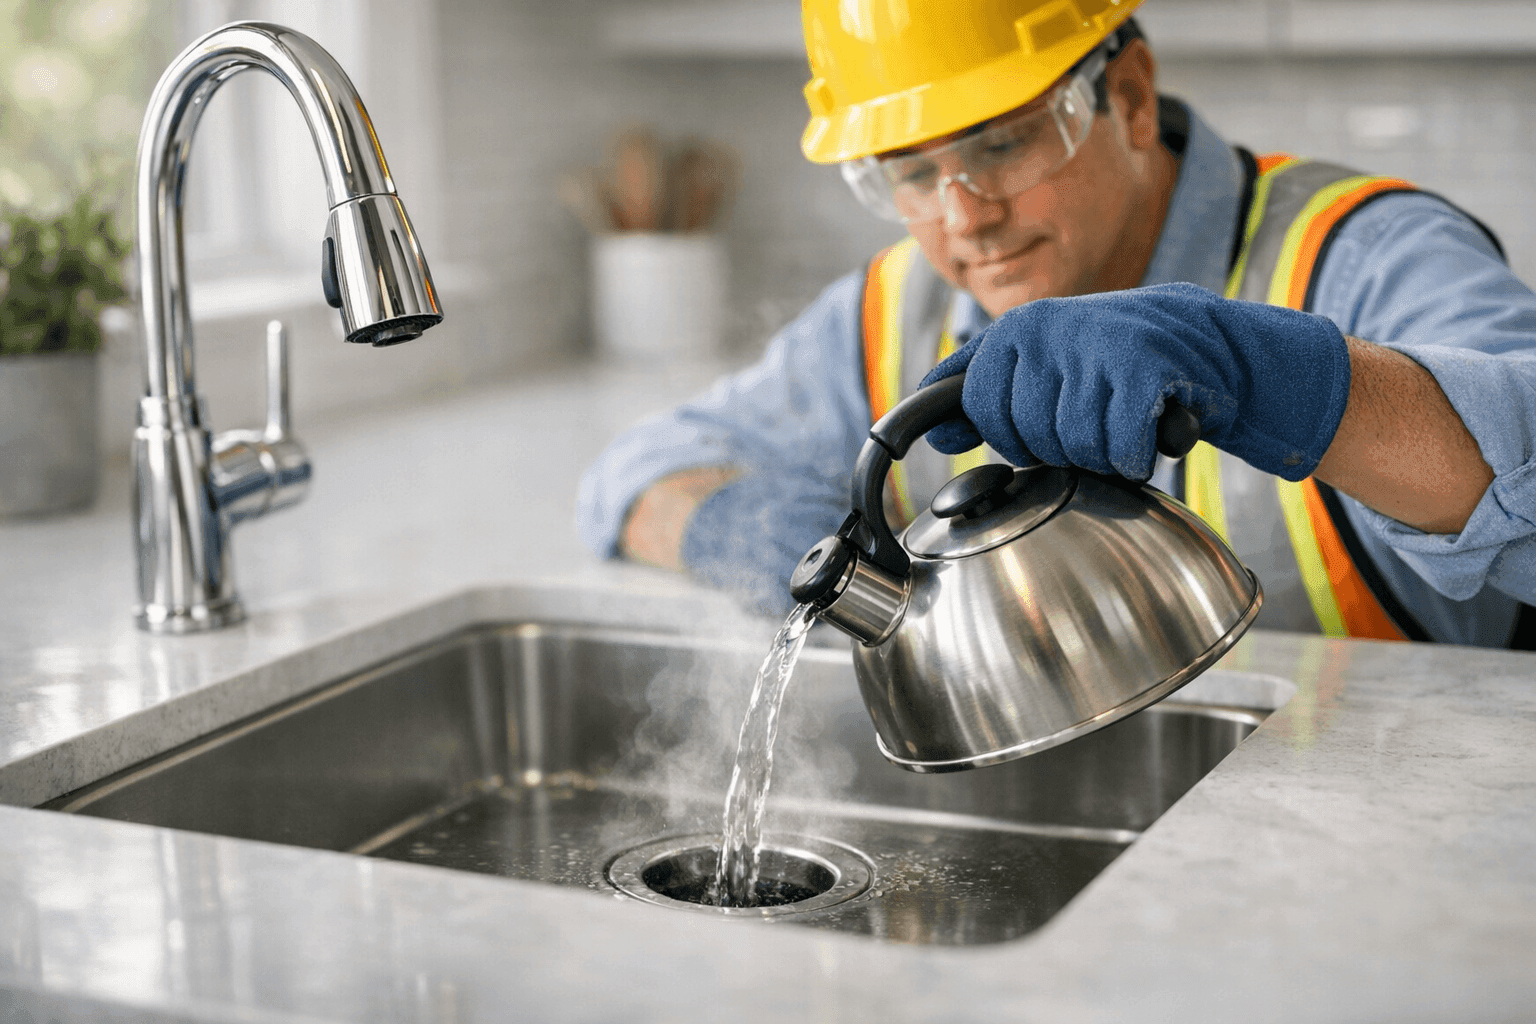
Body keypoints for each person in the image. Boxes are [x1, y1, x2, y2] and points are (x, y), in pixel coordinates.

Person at [578, 0, 1536, 648]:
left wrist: (1267, 377)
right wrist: (770, 541)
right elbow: (636, 475)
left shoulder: (1367, 253)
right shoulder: (898, 303)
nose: (964, 218)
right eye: (910, 172)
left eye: (1000, 144)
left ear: (1126, 96)